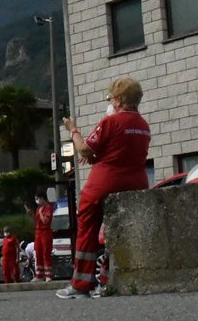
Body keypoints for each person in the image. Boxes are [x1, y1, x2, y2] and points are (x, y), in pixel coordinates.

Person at [57, 76, 151, 299]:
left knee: (87, 227)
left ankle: (81, 284)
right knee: (121, 230)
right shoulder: (143, 126)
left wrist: (73, 130)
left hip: (105, 180)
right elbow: (121, 149)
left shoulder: (110, 122)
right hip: (137, 179)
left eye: (110, 97)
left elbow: (84, 149)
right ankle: (110, 279)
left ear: (118, 100)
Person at [32, 192, 55, 281]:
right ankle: (39, 275)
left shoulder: (48, 207)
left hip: (45, 232)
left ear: (42, 198)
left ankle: (48, 275)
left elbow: (45, 221)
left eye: (38, 198)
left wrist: (41, 213)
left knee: (46, 253)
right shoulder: (38, 208)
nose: (37, 201)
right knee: (38, 253)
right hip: (38, 232)